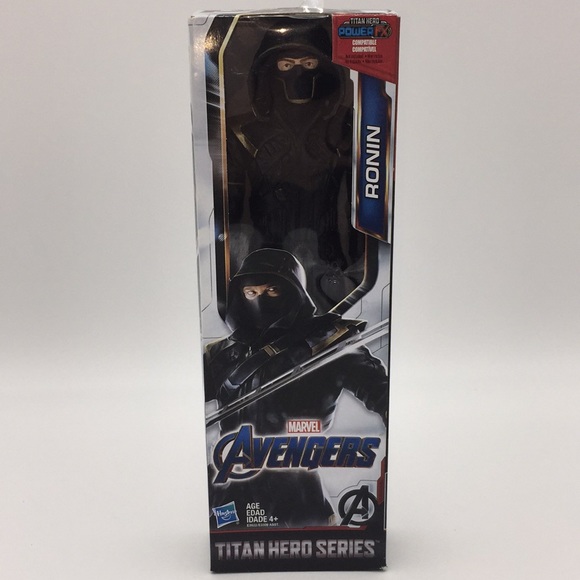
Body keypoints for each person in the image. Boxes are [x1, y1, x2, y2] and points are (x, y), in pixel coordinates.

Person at [204, 248, 388, 528]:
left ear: (294, 291)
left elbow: (381, 392)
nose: (260, 300)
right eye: (251, 293)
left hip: (297, 491)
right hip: (230, 485)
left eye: (272, 290)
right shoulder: (223, 352)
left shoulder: (326, 343)